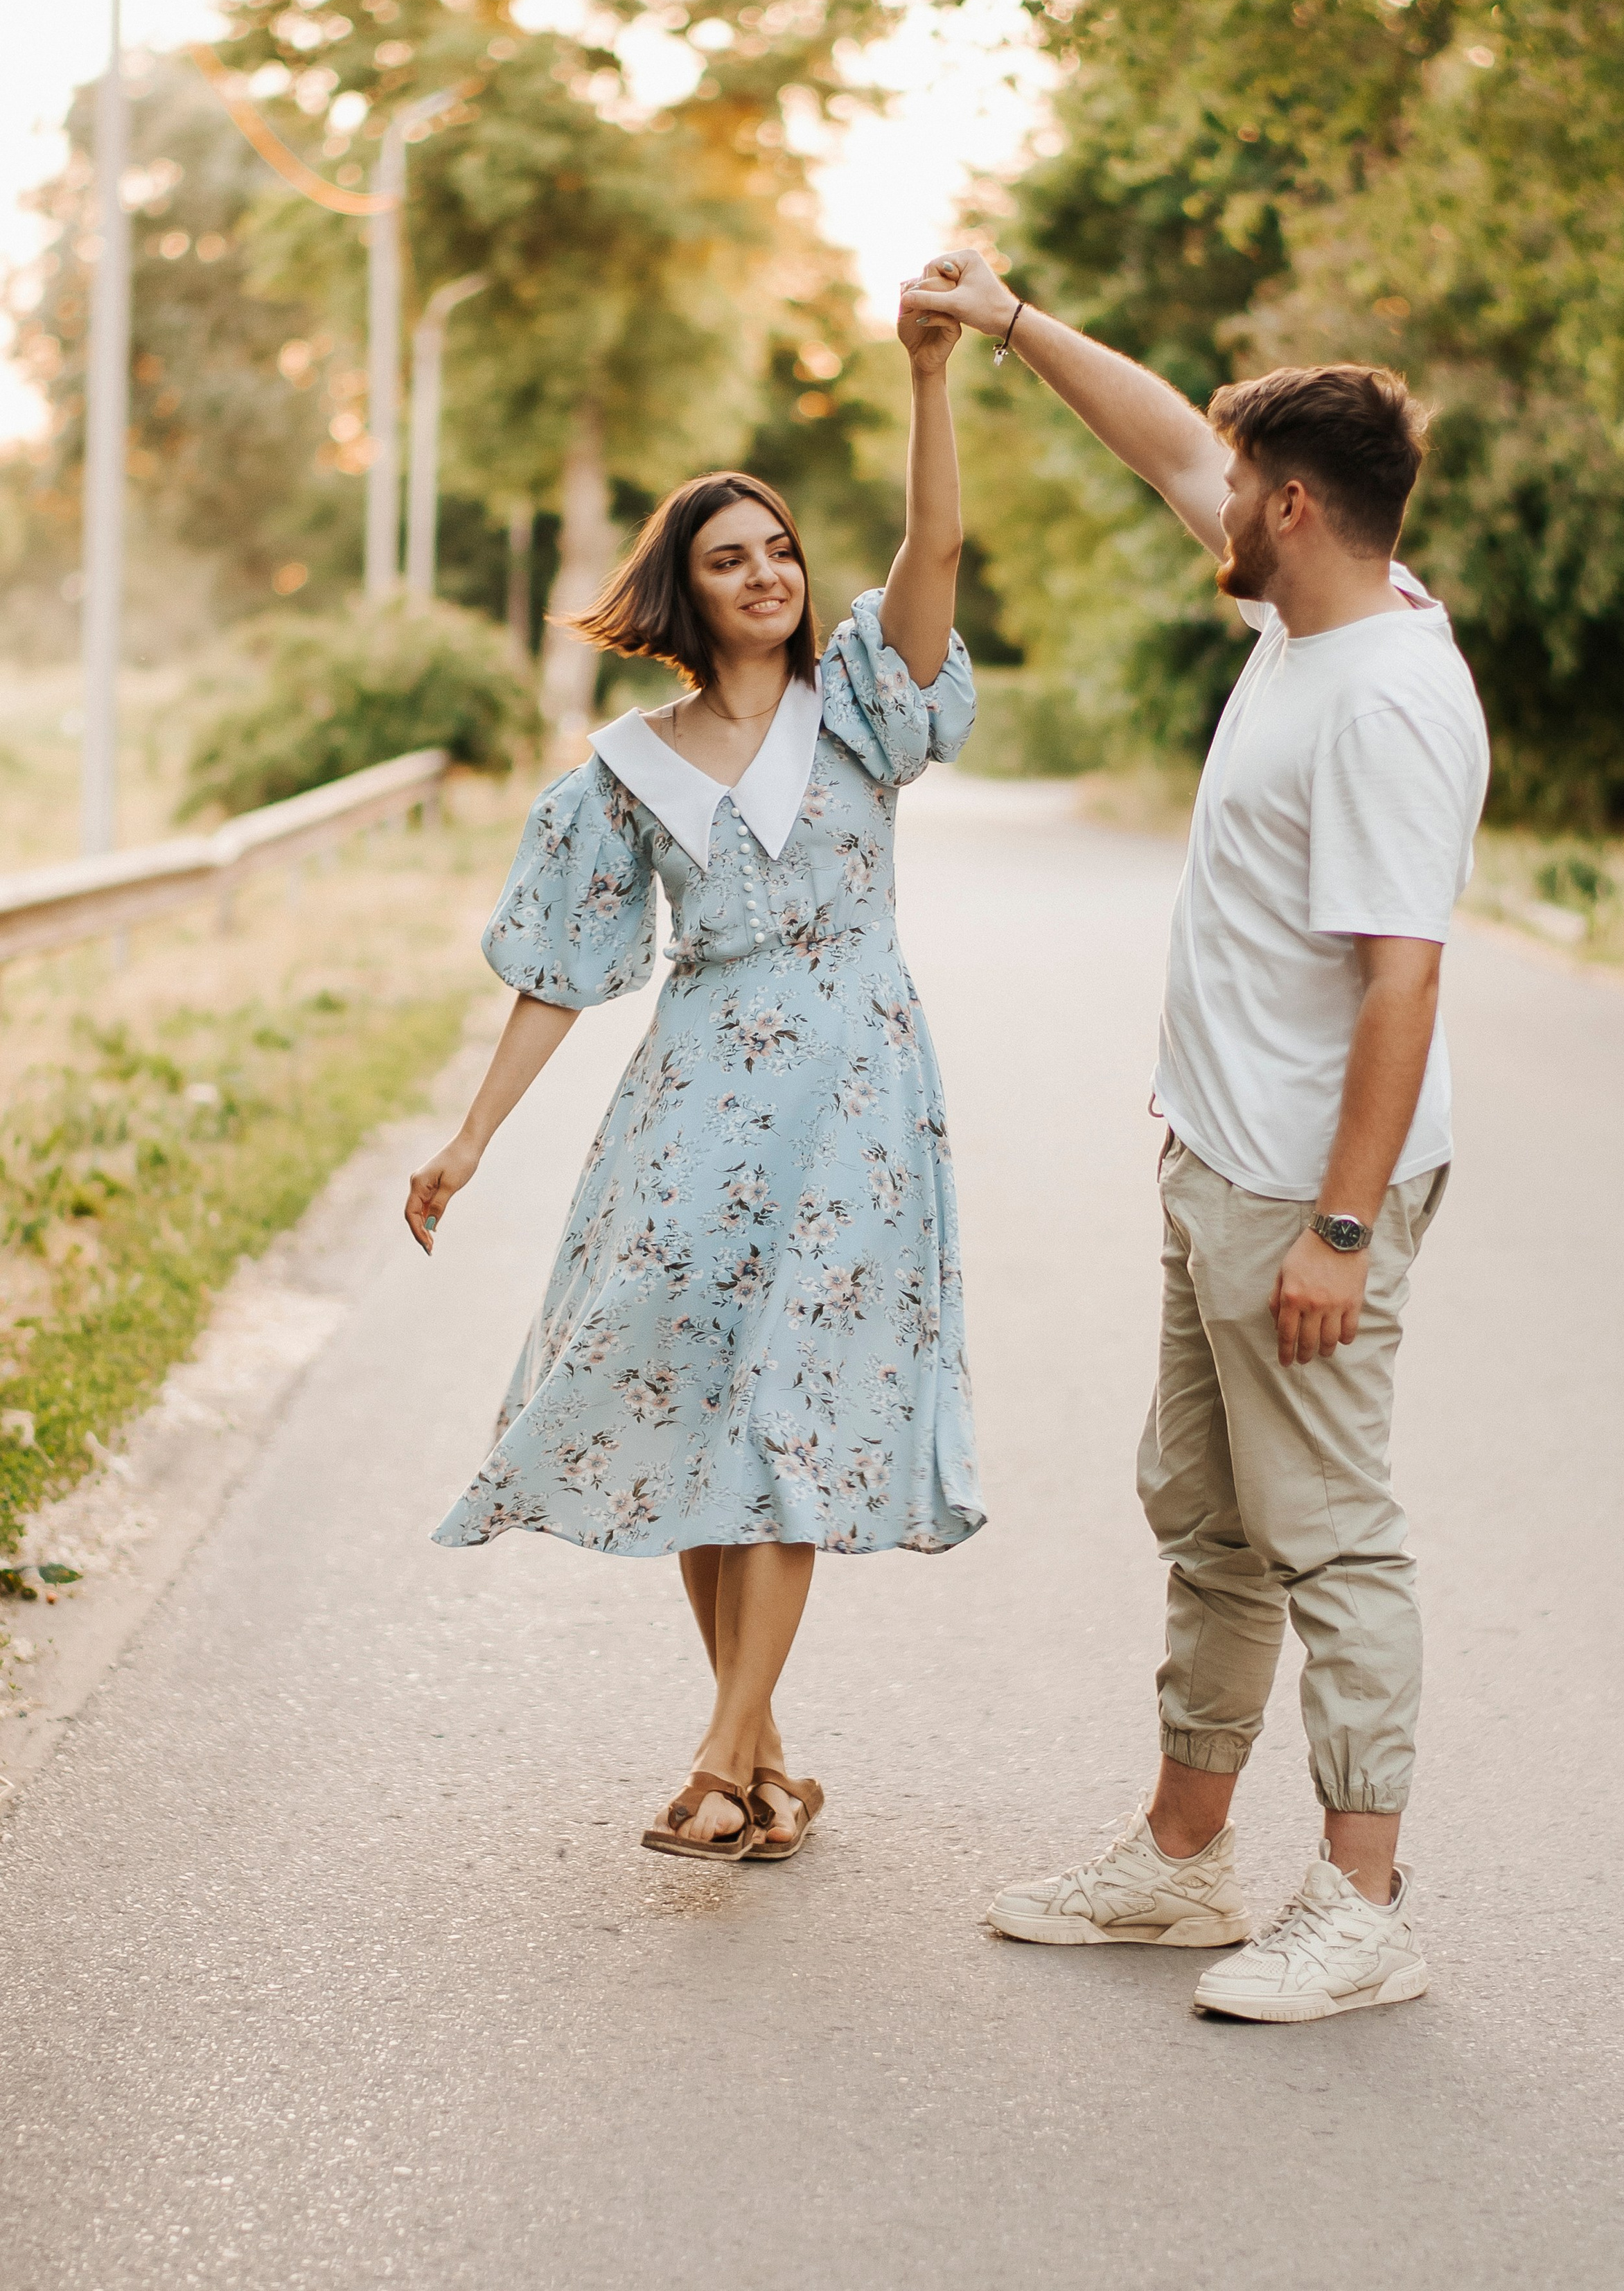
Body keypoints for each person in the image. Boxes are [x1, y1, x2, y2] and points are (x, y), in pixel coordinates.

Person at [904, 251, 1489, 2022]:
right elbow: (1166, 440)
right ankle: (1178, 1866)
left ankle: (1363, 1902)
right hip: (1218, 1164)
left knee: (1327, 1531)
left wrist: (1334, 1228)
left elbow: (1402, 985)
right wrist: (1005, 323)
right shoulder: (1309, 616)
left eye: (1241, 488)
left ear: (1294, 507)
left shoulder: (1385, 696)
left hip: (1306, 1191)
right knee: (1210, 1521)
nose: (1208, 502)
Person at [406, 286, 984, 1864]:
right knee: (698, 1411)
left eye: (780, 551)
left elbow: (929, 551)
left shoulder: (862, 706)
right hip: (693, 1105)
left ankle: (721, 1759)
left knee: (790, 1407)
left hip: (856, 1098)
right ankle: (767, 1754)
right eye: (730, 558)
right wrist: (464, 1142)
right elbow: (562, 970)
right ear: (686, 588)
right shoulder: (629, 767)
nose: (766, 575)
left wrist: (926, 377)